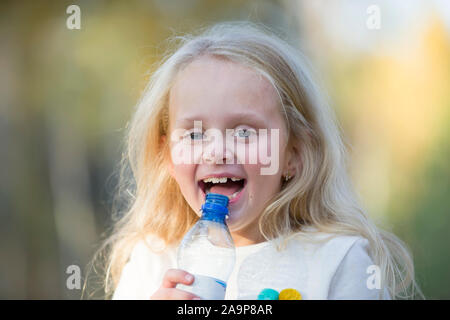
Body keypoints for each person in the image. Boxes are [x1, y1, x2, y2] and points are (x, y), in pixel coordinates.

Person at [95, 21, 421, 300]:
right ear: (167, 156)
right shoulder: (152, 262)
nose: (217, 151)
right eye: (194, 135)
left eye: (244, 132)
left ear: (293, 154)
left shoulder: (339, 259)